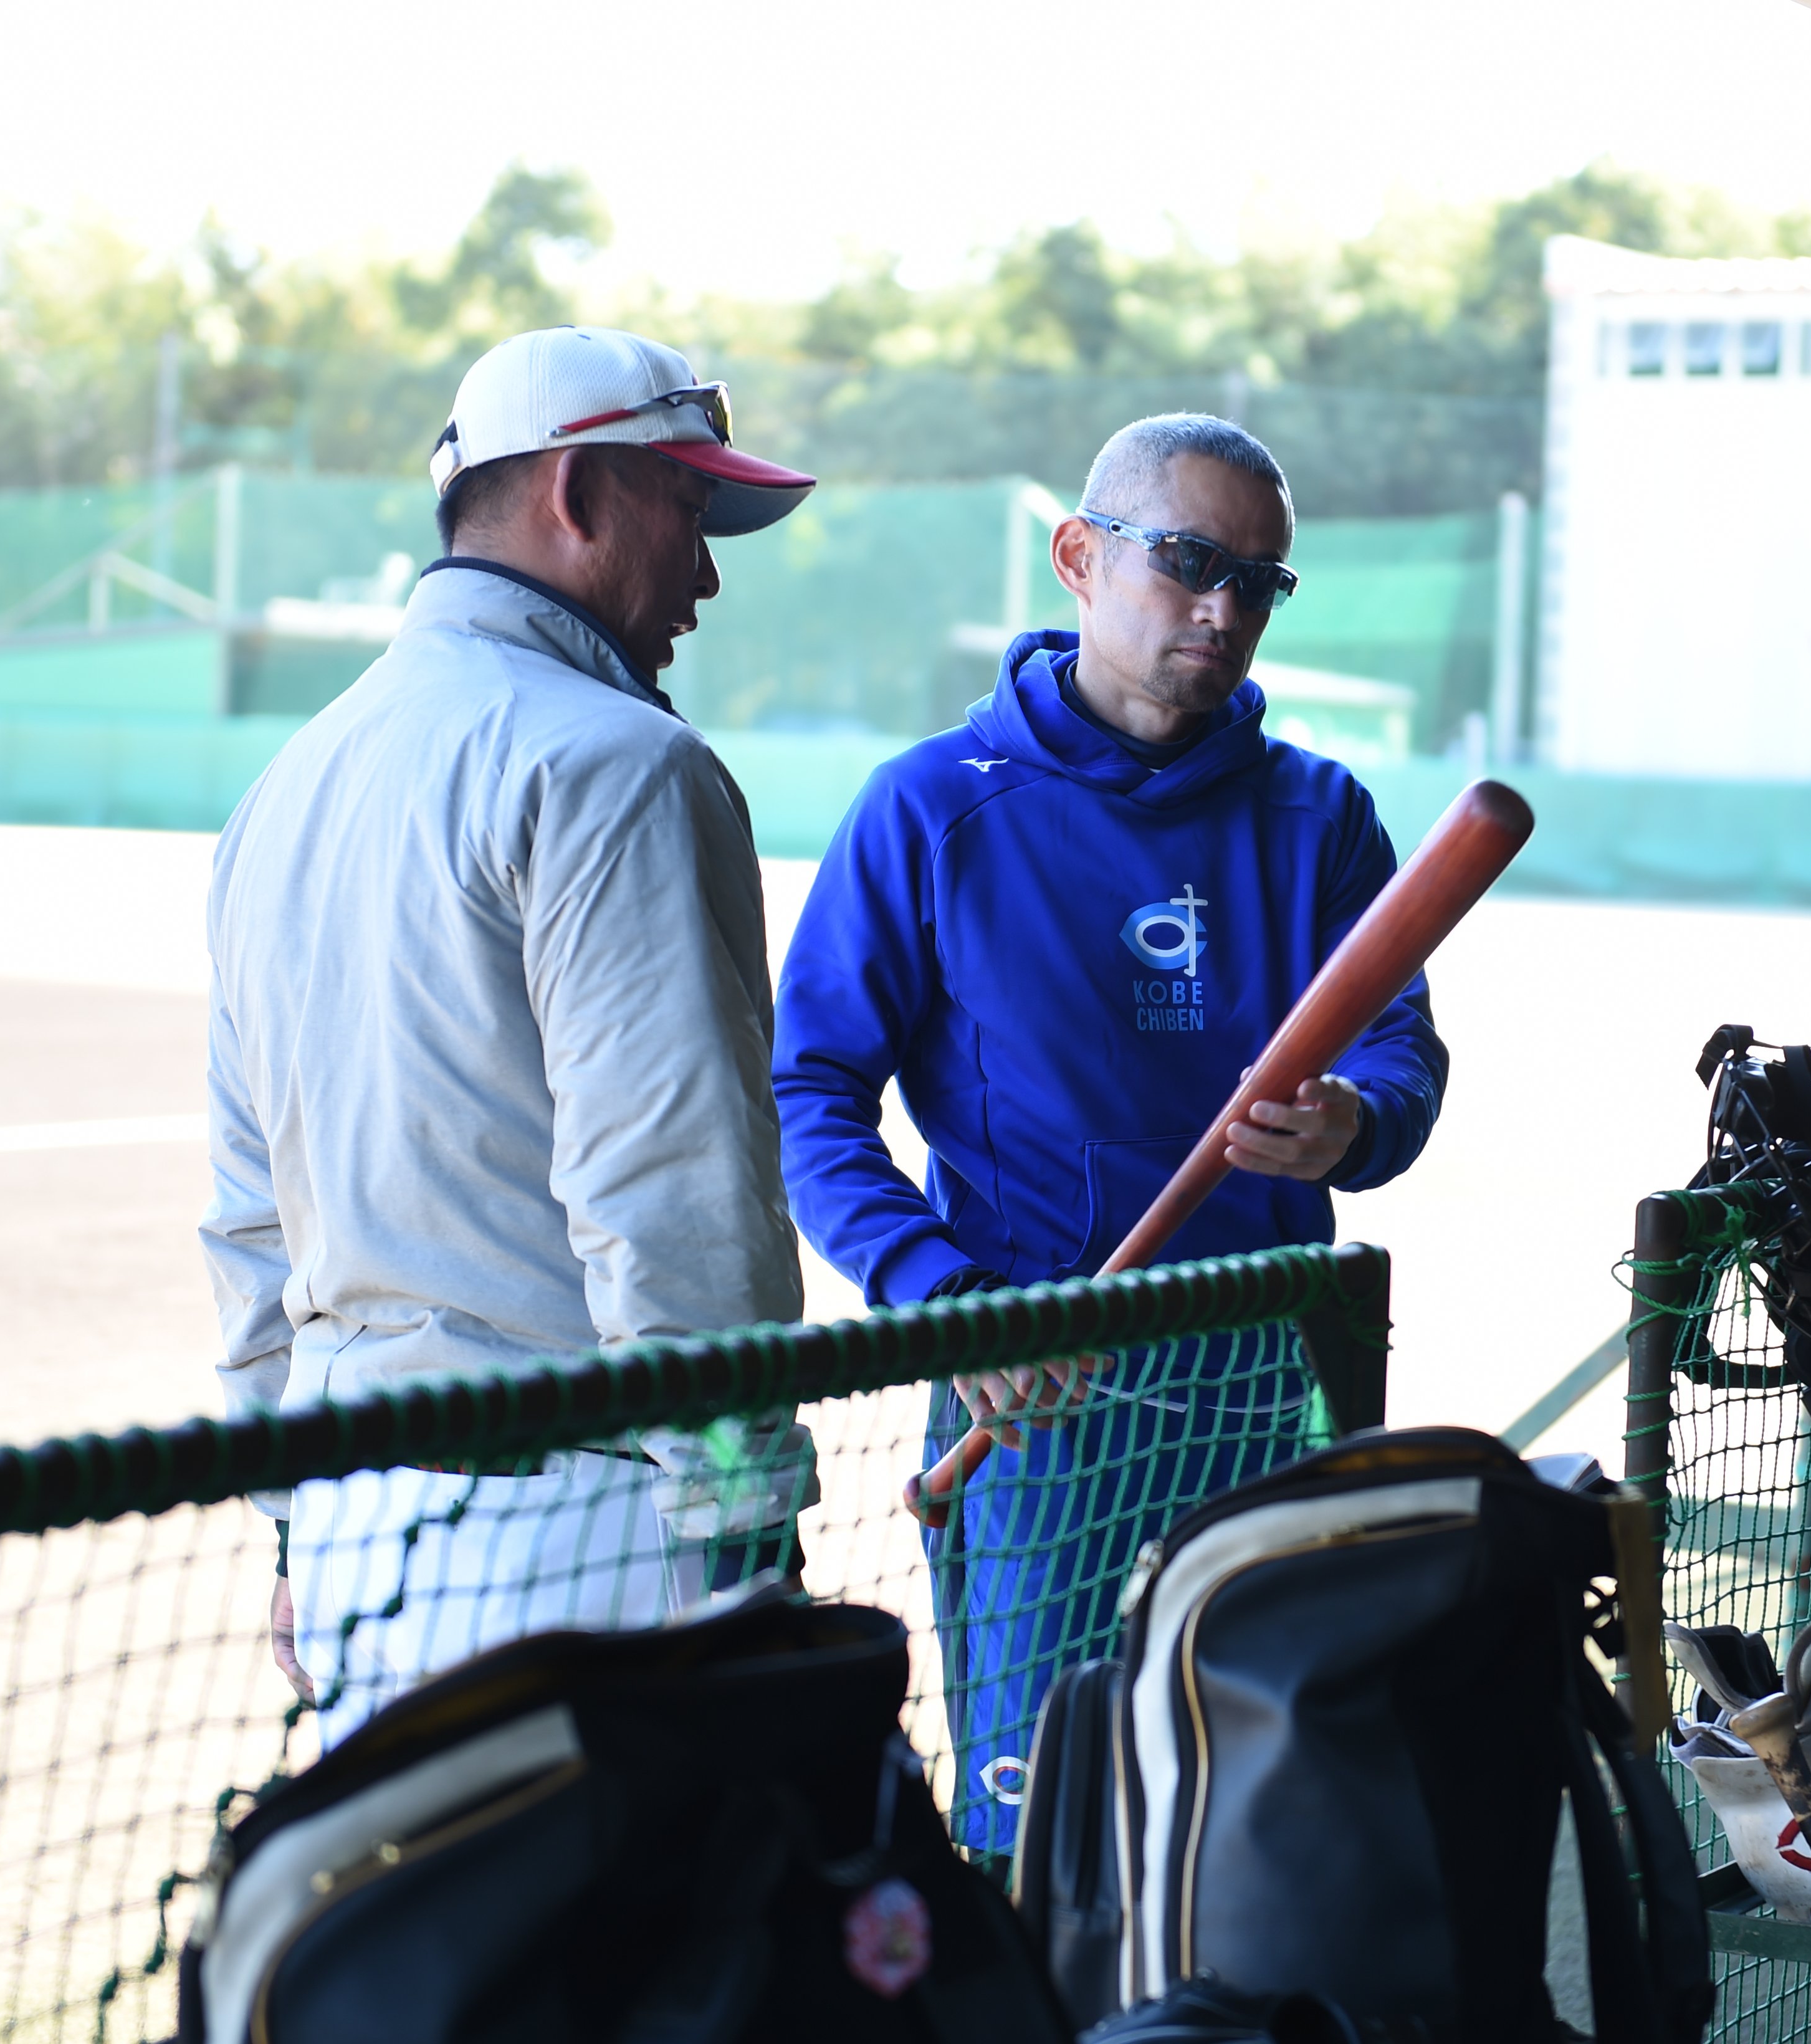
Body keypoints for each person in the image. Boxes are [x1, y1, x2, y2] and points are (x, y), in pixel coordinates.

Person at [773, 413, 1451, 1848]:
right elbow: (812, 1097)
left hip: (1268, 1378)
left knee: (1256, 1811)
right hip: (1030, 1387)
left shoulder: (1323, 817)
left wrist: (1354, 1119)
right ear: (1081, 556)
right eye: (1191, 559)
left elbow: (1399, 1045)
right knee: (1046, 1824)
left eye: (1260, 580)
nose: (1224, 607)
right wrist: (952, 1307)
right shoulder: (929, 809)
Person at [203, 326, 819, 1738]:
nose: (710, 575)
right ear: (579, 493)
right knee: (661, 1957)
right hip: (592, 1544)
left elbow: (251, 1219)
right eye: (689, 511)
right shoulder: (619, 761)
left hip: (361, 1528)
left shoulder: (280, 790)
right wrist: (741, 1534)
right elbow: (676, 1199)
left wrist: (297, 1526)